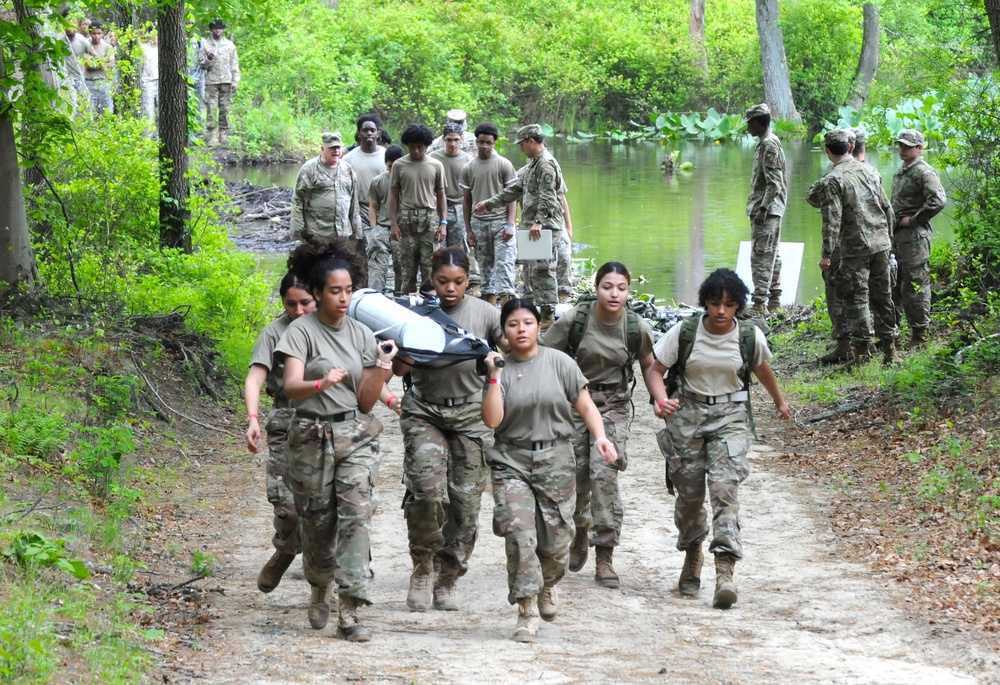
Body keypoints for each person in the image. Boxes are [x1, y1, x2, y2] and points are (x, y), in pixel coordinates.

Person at [273, 239, 397, 642]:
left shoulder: (362, 333)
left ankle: (351, 608)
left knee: (357, 516)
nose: (343, 298)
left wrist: (382, 365)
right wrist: (320, 382)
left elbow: (365, 399)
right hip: (310, 435)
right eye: (334, 291)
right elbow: (291, 388)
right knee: (318, 521)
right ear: (318, 292)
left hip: (355, 435)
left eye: (348, 290)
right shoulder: (300, 333)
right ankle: (319, 585)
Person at [648, 268, 790, 610]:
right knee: (690, 494)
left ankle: (725, 571)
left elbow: (761, 368)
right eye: (715, 304)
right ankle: (692, 553)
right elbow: (656, 369)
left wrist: (779, 401)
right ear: (706, 304)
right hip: (688, 417)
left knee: (725, 489)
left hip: (730, 417)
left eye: (729, 305)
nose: (722, 311)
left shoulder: (748, 336)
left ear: (738, 305)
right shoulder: (686, 332)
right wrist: (659, 400)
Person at [481, 299, 618, 642]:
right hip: (511, 461)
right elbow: (492, 420)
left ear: (539, 325)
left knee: (557, 542)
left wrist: (600, 438)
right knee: (519, 533)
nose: (521, 329)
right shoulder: (500, 369)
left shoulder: (560, 363)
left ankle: (548, 582)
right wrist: (495, 377)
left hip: (556, 458)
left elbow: (585, 405)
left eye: (527, 322)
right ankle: (526, 609)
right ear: (504, 332)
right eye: (513, 324)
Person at [392, 247, 502, 612]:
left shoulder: (486, 313)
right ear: (431, 278)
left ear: (469, 279)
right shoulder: (415, 312)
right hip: (425, 410)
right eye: (442, 281)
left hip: (471, 414)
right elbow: (399, 371)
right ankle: (422, 566)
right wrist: (406, 346)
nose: (450, 289)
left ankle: (448, 577)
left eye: (458, 282)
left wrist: (495, 364)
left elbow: (518, 348)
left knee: (466, 503)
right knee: (426, 492)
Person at [540, 262, 660, 588]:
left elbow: (650, 366)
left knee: (603, 472)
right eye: (608, 286)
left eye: (621, 288)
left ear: (628, 290)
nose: (614, 293)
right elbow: (540, 353)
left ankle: (605, 556)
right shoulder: (575, 320)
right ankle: (582, 529)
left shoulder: (636, 327)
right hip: (575, 404)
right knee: (575, 477)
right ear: (597, 288)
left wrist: (659, 399)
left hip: (615, 407)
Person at [244, 273, 316, 594]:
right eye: (291, 304)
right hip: (286, 420)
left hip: (326, 419)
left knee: (324, 502)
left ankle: (321, 571)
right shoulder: (274, 332)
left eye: (305, 303)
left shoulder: (332, 327)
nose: (298, 310)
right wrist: (253, 418)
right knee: (286, 505)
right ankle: (286, 550)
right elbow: (255, 378)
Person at [815, 129, 899, 364]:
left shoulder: (833, 179)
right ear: (850, 148)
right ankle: (891, 351)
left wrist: (826, 255)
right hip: (881, 243)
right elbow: (887, 208)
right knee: (883, 296)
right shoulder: (869, 170)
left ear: (828, 150)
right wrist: (889, 240)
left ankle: (862, 354)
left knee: (857, 299)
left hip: (855, 248)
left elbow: (831, 221)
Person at [474, 124, 565, 330]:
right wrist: (489, 203)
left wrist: (540, 222)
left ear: (531, 141)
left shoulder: (546, 164)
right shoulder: (534, 164)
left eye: (522, 144)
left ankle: (549, 314)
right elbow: (514, 190)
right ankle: (534, 310)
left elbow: (549, 197)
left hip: (543, 226)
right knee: (531, 270)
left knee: (543, 269)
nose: (521, 149)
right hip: (533, 227)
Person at [890, 129, 947, 348]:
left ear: (919, 148)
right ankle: (894, 332)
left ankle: (920, 335)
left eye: (907, 146)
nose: (902, 149)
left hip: (914, 236)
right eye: (900, 145)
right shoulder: (901, 171)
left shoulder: (925, 172)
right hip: (897, 236)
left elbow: (938, 200)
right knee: (896, 283)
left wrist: (914, 219)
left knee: (915, 283)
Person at [461, 122, 518, 306]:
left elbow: (512, 196)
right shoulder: (468, 167)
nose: (484, 146)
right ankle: (490, 308)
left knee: (505, 266)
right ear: (475, 142)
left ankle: (508, 307)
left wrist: (511, 224)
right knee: (485, 269)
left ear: (494, 143)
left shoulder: (504, 164)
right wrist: (468, 229)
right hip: (479, 223)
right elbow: (466, 200)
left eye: (488, 143)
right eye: (481, 142)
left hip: (501, 222)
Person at [390, 124, 447, 293]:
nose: (416, 151)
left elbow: (441, 194)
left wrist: (443, 222)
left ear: (426, 146)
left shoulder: (436, 165)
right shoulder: (399, 165)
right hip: (406, 218)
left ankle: (430, 302)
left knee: (430, 264)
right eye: (412, 147)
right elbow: (393, 195)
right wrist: (393, 223)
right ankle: (407, 304)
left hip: (429, 217)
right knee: (407, 266)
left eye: (420, 147)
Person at [744, 103, 787, 317]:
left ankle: (760, 304)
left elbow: (774, 183)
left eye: (750, 123)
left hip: (767, 211)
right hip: (768, 208)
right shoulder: (767, 142)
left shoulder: (769, 144)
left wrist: (763, 208)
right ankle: (774, 301)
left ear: (758, 122)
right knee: (772, 254)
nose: (748, 128)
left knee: (761, 255)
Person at [430, 123, 483, 295]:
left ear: (462, 140)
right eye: (449, 140)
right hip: (438, 207)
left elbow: (475, 188)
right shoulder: (433, 158)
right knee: (438, 248)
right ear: (443, 139)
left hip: (460, 206)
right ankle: (438, 285)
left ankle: (462, 284)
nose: (453, 144)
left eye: (456, 140)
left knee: (459, 247)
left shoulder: (469, 160)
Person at [290, 132, 363, 249]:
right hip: (317, 235)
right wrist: (299, 233)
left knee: (341, 266)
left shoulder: (347, 169)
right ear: (323, 148)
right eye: (332, 148)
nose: (336, 151)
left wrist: (357, 233)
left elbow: (354, 203)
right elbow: (298, 201)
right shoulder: (309, 169)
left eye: (338, 147)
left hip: (342, 235)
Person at [367, 144, 405, 291]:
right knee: (377, 267)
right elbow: (373, 205)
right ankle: (375, 298)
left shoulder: (407, 181)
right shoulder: (378, 181)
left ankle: (401, 299)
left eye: (396, 166)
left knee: (401, 267)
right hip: (382, 227)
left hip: (402, 228)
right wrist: (373, 229)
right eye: (390, 167)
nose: (392, 170)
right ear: (385, 164)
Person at [197, 19, 240, 145]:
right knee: (211, 108)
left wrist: (235, 81)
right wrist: (208, 59)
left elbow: (234, 64)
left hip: (226, 80)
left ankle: (224, 134)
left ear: (223, 29)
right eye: (215, 28)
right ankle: (212, 135)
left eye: (220, 28)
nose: (218, 30)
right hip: (211, 81)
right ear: (211, 29)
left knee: (225, 108)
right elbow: (201, 65)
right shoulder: (205, 45)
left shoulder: (230, 45)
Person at [342, 115, 387, 232]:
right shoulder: (347, 159)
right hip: (359, 209)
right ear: (358, 134)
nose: (369, 133)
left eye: (372, 130)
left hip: (384, 208)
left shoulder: (387, 156)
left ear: (378, 134)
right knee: (362, 245)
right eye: (365, 130)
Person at [81, 22, 115, 116]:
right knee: (90, 111)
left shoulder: (107, 47)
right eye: (94, 33)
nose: (96, 36)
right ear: (90, 33)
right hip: (89, 82)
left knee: (107, 111)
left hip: (104, 82)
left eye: (99, 33)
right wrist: (104, 63)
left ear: (103, 33)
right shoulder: (86, 46)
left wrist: (97, 64)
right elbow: (88, 65)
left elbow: (112, 63)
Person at [138, 30, 159, 134]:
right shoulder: (143, 48)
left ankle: (159, 136)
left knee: (160, 111)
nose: (155, 37)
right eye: (153, 34)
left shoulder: (163, 49)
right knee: (148, 112)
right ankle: (148, 139)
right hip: (147, 82)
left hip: (161, 82)